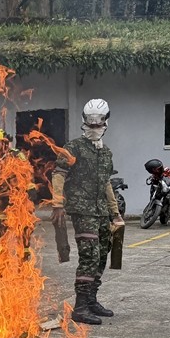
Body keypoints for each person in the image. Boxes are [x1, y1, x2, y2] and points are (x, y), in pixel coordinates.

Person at [50, 99, 124, 325]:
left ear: (105, 123)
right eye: (90, 124)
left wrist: (115, 213)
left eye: (98, 124)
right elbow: (59, 173)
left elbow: (106, 184)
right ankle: (81, 306)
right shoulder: (73, 148)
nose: (94, 128)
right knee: (89, 255)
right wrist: (57, 204)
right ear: (84, 122)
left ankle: (92, 300)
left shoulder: (106, 153)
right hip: (82, 210)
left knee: (102, 254)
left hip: (101, 211)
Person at [0, 127, 36, 249]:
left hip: (18, 200)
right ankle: (2, 263)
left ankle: (23, 262)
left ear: (5, 143)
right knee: (0, 238)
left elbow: (28, 174)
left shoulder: (17, 155)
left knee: (22, 234)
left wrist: (30, 192)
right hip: (1, 204)